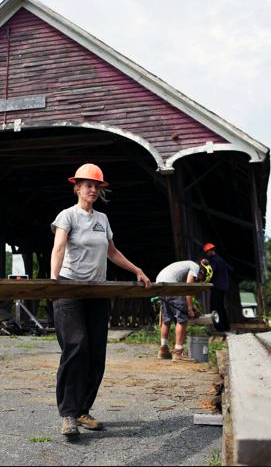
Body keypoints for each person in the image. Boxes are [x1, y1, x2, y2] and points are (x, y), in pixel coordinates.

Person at [50, 163, 152, 437]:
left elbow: (112, 252)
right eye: (87, 184)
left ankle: (83, 410)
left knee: (96, 353)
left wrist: (137, 270)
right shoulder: (67, 216)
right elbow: (58, 248)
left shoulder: (102, 220)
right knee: (76, 345)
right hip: (69, 288)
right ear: (77, 188)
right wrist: (53, 281)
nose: (92, 189)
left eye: (96, 185)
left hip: (98, 290)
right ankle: (68, 414)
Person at [153, 259, 212, 361]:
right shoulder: (195, 267)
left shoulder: (186, 265)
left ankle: (163, 350)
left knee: (166, 320)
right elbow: (187, 289)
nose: (198, 279)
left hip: (160, 285)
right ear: (203, 271)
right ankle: (178, 353)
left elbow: (184, 293)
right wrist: (189, 309)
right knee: (182, 320)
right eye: (201, 278)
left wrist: (191, 306)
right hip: (171, 286)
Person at [203, 243, 233, 331]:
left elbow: (211, 272)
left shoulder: (213, 260)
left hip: (217, 287)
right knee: (221, 307)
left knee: (215, 307)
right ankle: (226, 327)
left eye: (207, 252)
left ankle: (219, 328)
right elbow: (231, 269)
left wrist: (205, 281)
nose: (207, 254)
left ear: (210, 251)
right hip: (223, 287)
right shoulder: (221, 260)